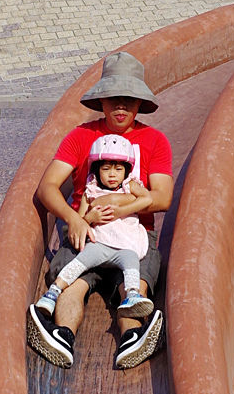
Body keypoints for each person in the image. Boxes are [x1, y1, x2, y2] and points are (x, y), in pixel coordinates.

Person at [29, 52, 173, 371]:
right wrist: (74, 219)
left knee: (134, 281)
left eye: (128, 100)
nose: (120, 107)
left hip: (133, 233)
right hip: (89, 231)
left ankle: (132, 338)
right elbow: (48, 187)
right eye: (114, 100)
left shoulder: (154, 140)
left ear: (139, 104)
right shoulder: (82, 136)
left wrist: (125, 205)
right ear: (102, 102)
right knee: (74, 278)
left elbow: (162, 198)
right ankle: (62, 334)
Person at [33, 134, 155, 323]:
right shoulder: (90, 191)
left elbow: (147, 198)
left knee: (132, 264)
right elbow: (80, 220)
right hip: (100, 244)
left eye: (118, 169)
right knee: (79, 262)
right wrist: (91, 217)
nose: (112, 174)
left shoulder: (130, 186)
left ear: (127, 170)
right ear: (97, 170)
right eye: (106, 169)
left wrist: (121, 210)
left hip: (125, 246)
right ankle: (53, 292)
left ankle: (132, 295)